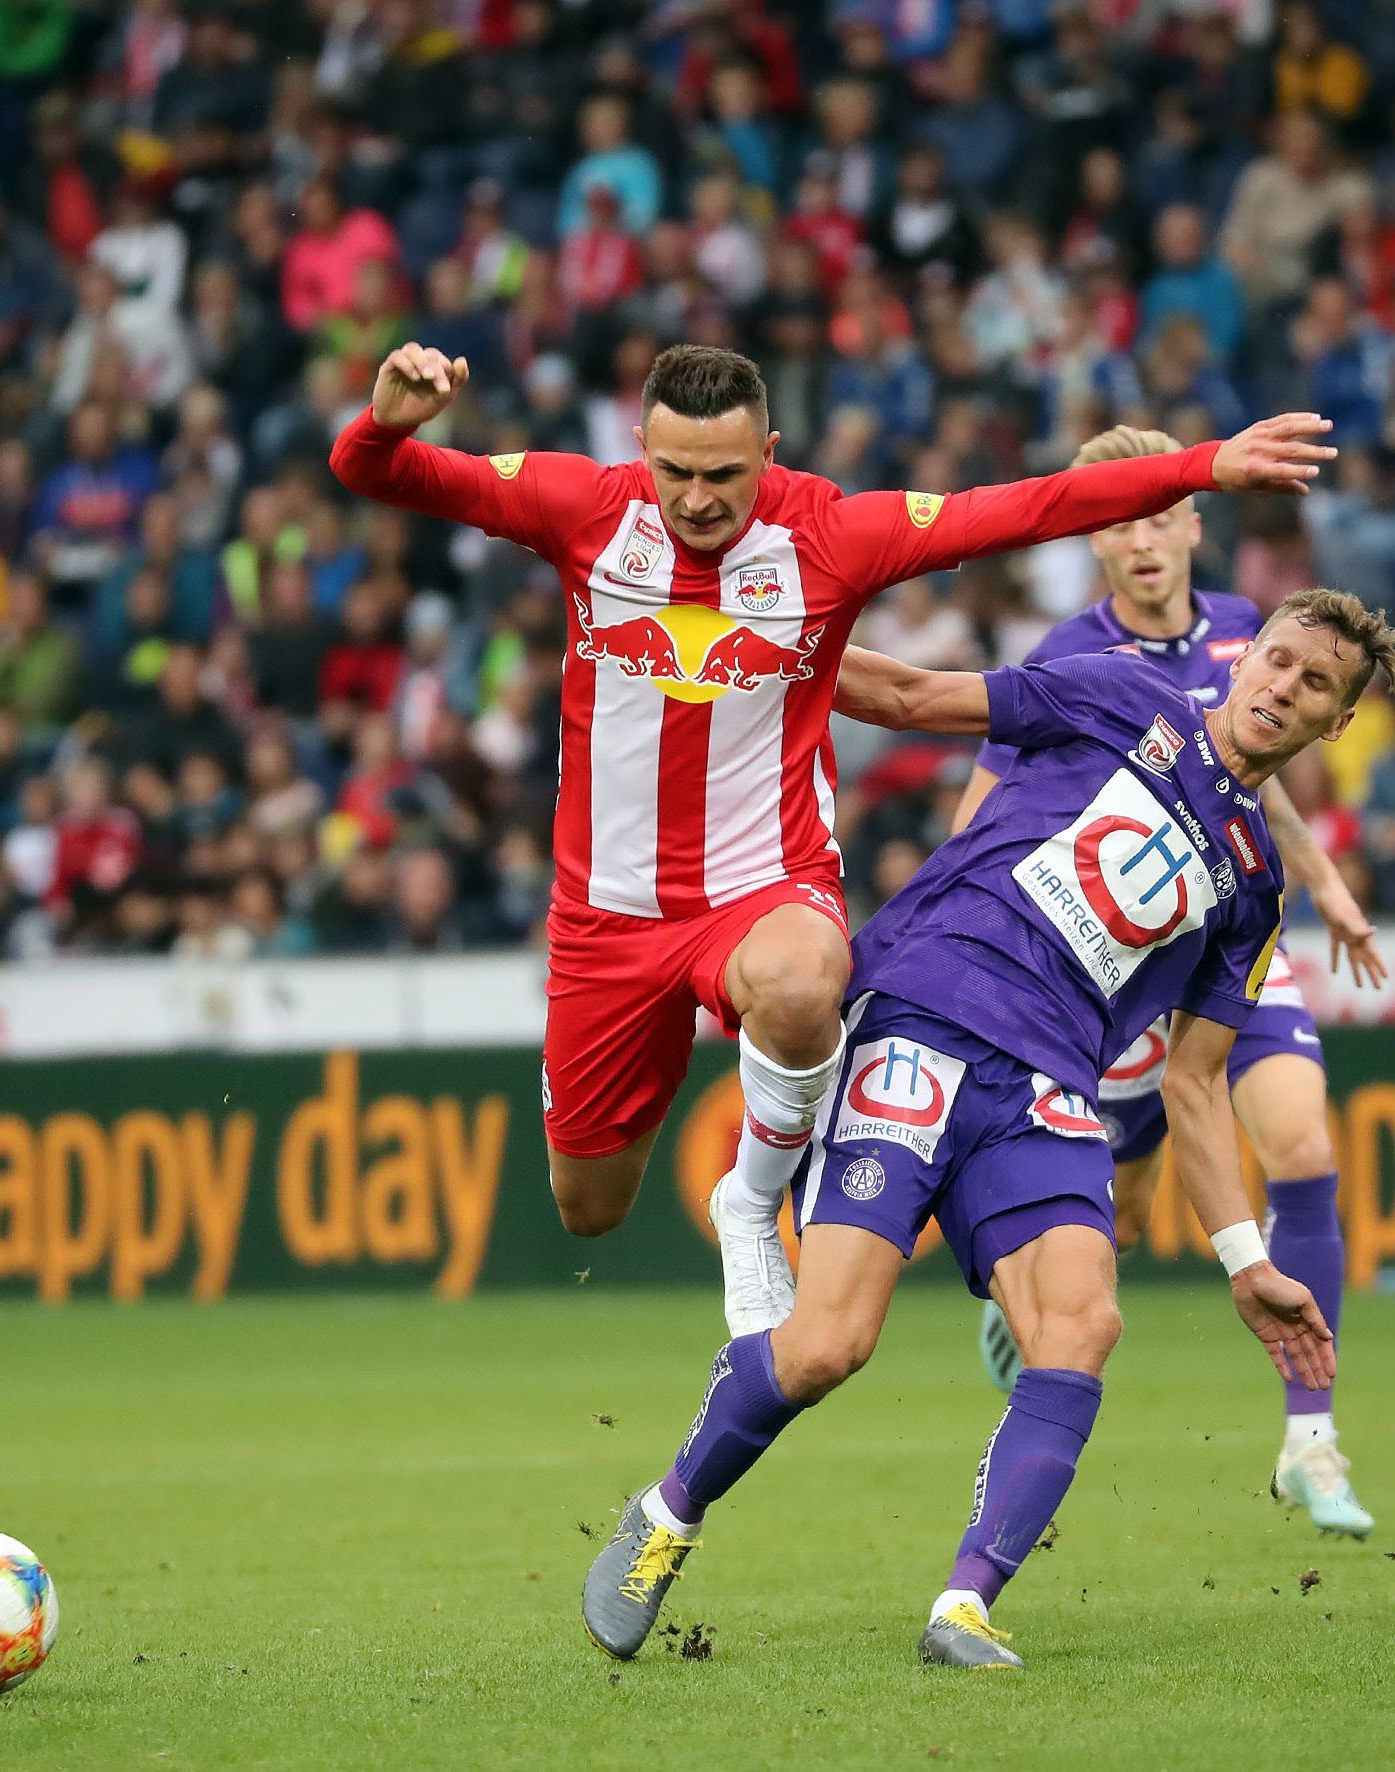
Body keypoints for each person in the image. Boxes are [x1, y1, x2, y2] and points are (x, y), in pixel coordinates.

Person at [329, 337, 1338, 1338]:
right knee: (587, 1204)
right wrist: (384, 420)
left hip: (761, 888)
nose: (695, 499)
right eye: (673, 471)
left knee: (810, 975)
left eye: (723, 474)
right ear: (639, 448)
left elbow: (1020, 509)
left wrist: (1202, 463)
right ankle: (686, 1137)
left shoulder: (830, 533)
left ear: (768, 452)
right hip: (605, 914)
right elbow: (367, 469)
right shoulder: (581, 506)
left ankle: (749, 1199)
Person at [581, 587, 1392, 1669]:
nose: (1283, 687)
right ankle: (667, 1513)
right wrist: (747, 648)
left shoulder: (1250, 883)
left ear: (1333, 723)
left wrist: (1242, 1259)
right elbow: (914, 694)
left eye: (1313, 685)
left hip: (1048, 1086)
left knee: (1081, 1326)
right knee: (827, 1345)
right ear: (1245, 661)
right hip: (919, 1012)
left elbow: (1194, 1084)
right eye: (1278, 661)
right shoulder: (1120, 692)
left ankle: (963, 1603)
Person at [953, 426, 1382, 1538]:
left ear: (1192, 522)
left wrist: (1323, 883)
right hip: (1123, 961)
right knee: (1126, 1220)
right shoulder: (1068, 651)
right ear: (1092, 540)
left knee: (1300, 1145)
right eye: (1116, 520)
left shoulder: (1252, 633)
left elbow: (1263, 778)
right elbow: (990, 787)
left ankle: (1308, 1438)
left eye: (1156, 515)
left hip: (1236, 933)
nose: (1140, 540)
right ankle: (1023, 1315)